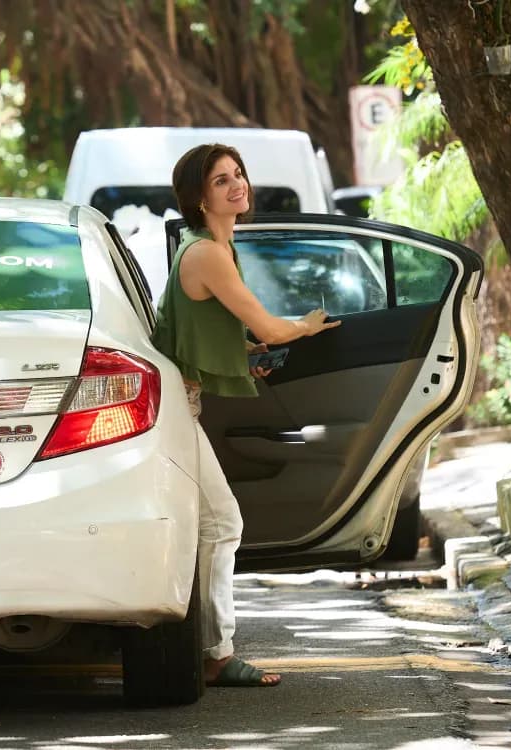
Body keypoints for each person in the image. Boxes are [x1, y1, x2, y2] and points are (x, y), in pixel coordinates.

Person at [151, 143, 341, 688]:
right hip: (171, 409)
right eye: (220, 181)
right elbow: (269, 326)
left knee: (213, 524)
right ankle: (215, 654)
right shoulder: (207, 252)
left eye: (238, 175)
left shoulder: (211, 246)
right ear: (197, 197)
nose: (237, 186)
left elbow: (212, 332)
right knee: (222, 522)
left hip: (177, 403)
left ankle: (210, 647)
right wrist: (305, 325)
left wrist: (249, 355)